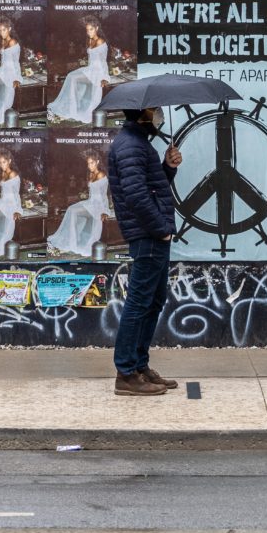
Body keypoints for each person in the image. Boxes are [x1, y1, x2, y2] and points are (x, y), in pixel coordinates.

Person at [107, 108, 182, 396]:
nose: (160, 115)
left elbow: (150, 188)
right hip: (149, 235)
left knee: (153, 300)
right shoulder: (130, 145)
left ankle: (139, 367)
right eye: (156, 111)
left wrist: (167, 167)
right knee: (140, 302)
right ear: (142, 114)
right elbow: (135, 196)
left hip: (153, 234)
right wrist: (160, 228)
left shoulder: (139, 144)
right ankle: (126, 373)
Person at [47, 149, 113, 257]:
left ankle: (72, 242)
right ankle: (72, 239)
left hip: (98, 206)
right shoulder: (91, 174)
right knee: (70, 209)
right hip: (91, 202)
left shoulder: (101, 175)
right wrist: (85, 195)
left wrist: (105, 210)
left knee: (73, 212)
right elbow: (92, 193)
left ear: (97, 162)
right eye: (88, 163)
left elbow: (103, 195)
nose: (89, 165)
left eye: (92, 163)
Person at [47, 16, 110, 124]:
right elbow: (91, 58)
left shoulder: (100, 41)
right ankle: (73, 106)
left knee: (73, 78)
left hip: (97, 72)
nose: (89, 32)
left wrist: (104, 77)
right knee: (70, 76)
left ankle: (74, 108)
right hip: (90, 69)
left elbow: (103, 62)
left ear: (97, 28)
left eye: (91, 29)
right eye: (87, 30)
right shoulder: (90, 40)